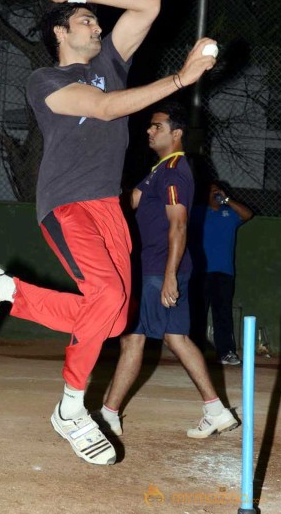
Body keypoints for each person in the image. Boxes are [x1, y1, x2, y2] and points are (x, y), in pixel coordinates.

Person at [0, 0, 218, 465]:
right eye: (86, 21)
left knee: (112, 319)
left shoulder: (112, 63)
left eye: (98, 22)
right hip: (66, 202)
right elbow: (103, 108)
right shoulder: (46, 81)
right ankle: (71, 408)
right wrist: (181, 79)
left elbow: (149, 3)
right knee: (108, 296)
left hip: (106, 206)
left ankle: (6, 290)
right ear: (59, 32)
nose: (98, 28)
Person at [94, 102, 238, 439]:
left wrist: (169, 276)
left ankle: (109, 414)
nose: (149, 130)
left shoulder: (174, 170)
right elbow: (131, 200)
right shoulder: (161, 169)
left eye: (156, 126)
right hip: (162, 268)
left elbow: (179, 225)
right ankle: (216, 410)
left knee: (133, 339)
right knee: (177, 338)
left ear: (177, 133)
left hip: (159, 269)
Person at [189, 181, 253, 365]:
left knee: (223, 313)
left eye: (217, 190)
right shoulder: (198, 212)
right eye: (211, 190)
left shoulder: (230, 213)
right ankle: (195, 353)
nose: (214, 193)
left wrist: (227, 199)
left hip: (224, 272)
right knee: (198, 314)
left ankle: (226, 352)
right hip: (200, 272)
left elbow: (248, 214)